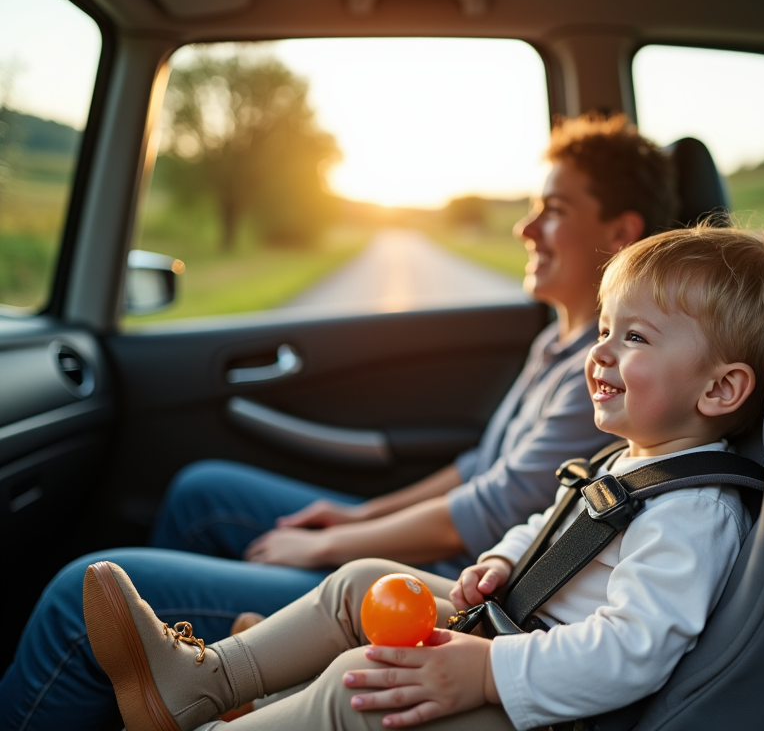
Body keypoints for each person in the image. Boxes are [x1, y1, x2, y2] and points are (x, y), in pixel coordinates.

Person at [0, 114, 676, 731]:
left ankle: (234, 676)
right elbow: (480, 469)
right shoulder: (560, 345)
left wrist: (329, 548)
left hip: (454, 579)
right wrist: (352, 520)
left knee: (73, 603)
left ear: (620, 232)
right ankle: (221, 674)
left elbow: (495, 506)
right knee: (203, 489)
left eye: (552, 211)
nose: (525, 229)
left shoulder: (613, 384)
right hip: (459, 566)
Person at [81, 225, 764, 731]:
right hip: (509, 629)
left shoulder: (694, 513)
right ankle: (203, 684)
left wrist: (489, 675)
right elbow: (550, 526)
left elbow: (632, 651)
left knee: (360, 685)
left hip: (548, 708)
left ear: (719, 391)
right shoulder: (633, 460)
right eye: (605, 330)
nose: (600, 352)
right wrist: (501, 560)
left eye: (636, 337)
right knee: (361, 583)